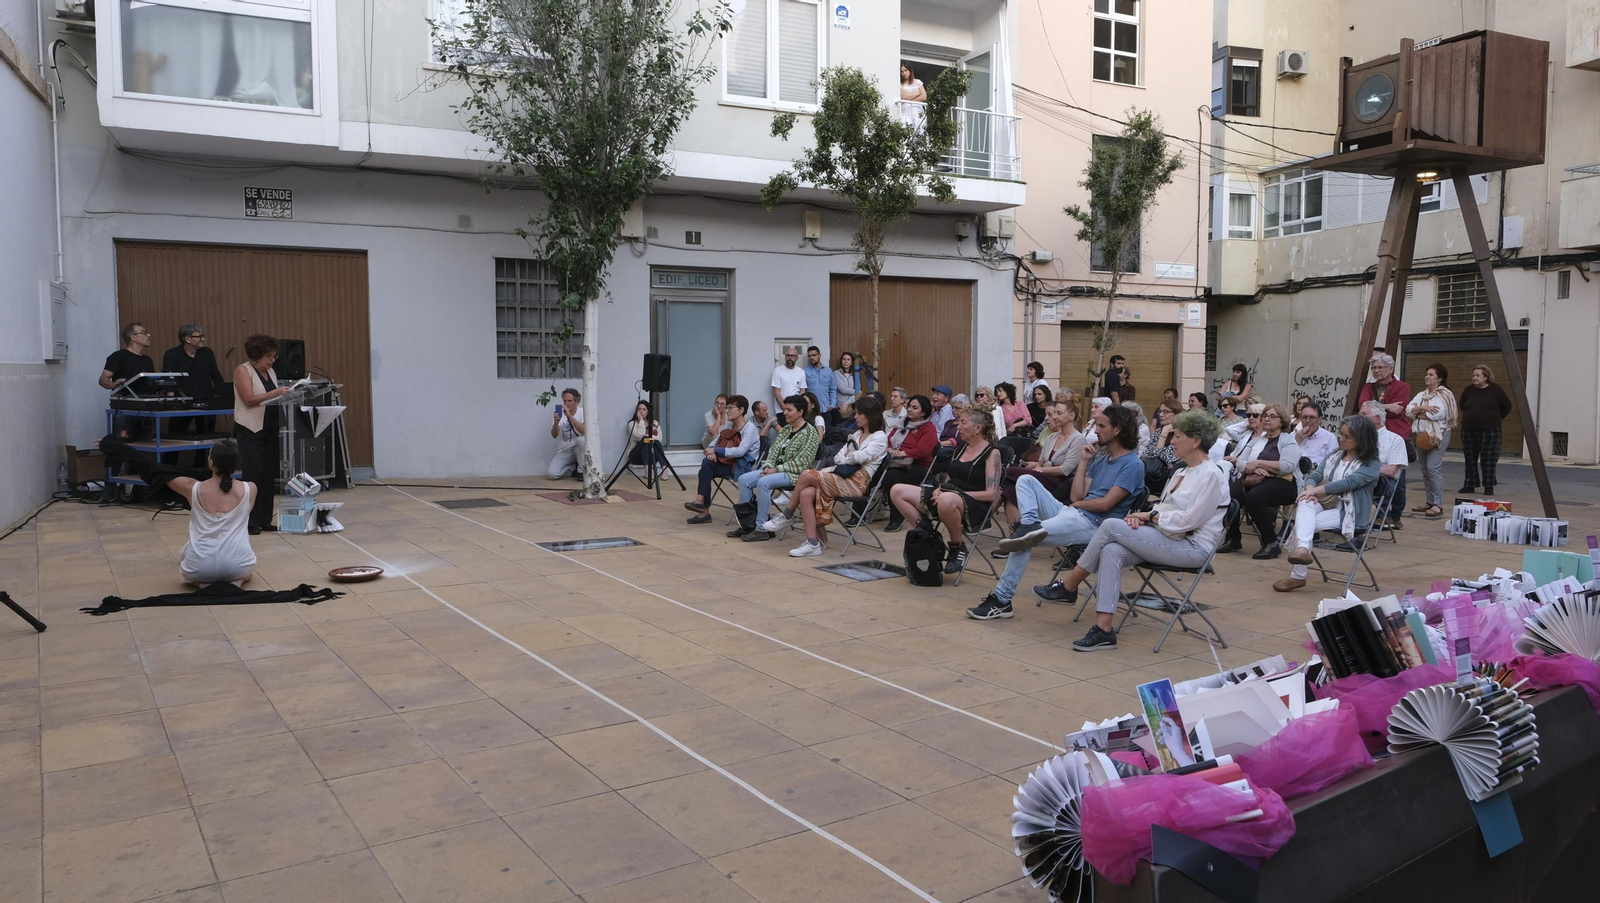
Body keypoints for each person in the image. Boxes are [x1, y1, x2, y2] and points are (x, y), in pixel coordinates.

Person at [986, 412, 1229, 644]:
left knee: (1112, 525)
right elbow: (1166, 510)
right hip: (1167, 537)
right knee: (1112, 550)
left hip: (1193, 548)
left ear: (1196, 441)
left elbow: (1187, 522)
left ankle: (1069, 584)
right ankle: (1104, 629)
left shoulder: (1211, 475)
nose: (1172, 440)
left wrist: (1150, 515)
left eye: (1178, 436)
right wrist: (1143, 517)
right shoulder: (1182, 471)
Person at [987, 405, 1149, 614]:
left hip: (1095, 525)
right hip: (1075, 514)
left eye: (1101, 426)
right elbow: (1076, 495)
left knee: (1026, 539)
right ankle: (1027, 524)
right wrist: (1083, 461)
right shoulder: (1101, 458)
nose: (1096, 430)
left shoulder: (1132, 464)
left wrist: (1078, 505)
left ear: (1117, 430)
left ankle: (1001, 599)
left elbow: (1106, 504)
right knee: (1026, 480)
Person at [888, 404, 1002, 574]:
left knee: (947, 499)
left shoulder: (992, 453)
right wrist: (938, 489)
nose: (958, 426)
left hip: (973, 503)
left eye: (963, 422)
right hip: (947, 497)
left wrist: (952, 494)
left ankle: (957, 546)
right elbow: (949, 479)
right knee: (897, 490)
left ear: (978, 428)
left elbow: (991, 494)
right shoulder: (961, 448)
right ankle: (928, 534)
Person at [769, 395, 888, 556]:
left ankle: (787, 513)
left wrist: (850, 456)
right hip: (840, 476)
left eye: (859, 414)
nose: (856, 417)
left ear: (870, 415)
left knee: (806, 474)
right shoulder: (857, 435)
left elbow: (861, 457)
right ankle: (812, 543)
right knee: (805, 493)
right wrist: (851, 456)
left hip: (857, 483)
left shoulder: (880, 437)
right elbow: (839, 457)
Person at [1276, 416, 1382, 593]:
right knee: (1305, 503)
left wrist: (1315, 492)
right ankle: (1302, 550)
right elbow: (1314, 476)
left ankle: (1298, 575)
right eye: (1341, 434)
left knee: (1304, 526)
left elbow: (1349, 482)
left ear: (1362, 439)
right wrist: (1309, 488)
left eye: (1347, 436)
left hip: (1350, 513)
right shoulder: (1335, 456)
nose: (1341, 439)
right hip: (1325, 503)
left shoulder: (1371, 464)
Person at [166, 439, 257, 587]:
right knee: (249, 574)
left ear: (211, 462)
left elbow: (165, 476)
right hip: (238, 567)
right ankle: (236, 580)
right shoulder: (250, 489)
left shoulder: (193, 488)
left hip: (200, 567)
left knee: (186, 556)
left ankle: (202, 582)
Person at [1217, 404, 1300, 559]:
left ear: (1282, 421)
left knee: (1255, 497)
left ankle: (1271, 542)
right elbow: (1240, 463)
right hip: (1255, 478)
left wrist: (1259, 463)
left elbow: (1287, 466)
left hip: (1284, 483)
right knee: (1227, 494)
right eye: (1265, 416)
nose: (1267, 419)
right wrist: (1253, 469)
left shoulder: (1288, 441)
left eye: (1272, 416)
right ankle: (1233, 538)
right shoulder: (1256, 440)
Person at [733, 395, 820, 542]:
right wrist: (768, 466)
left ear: (800, 412)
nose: (784, 412)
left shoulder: (810, 433)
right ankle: (747, 525)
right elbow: (773, 451)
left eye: (789, 409)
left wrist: (775, 470)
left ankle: (762, 529)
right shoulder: (786, 429)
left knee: (764, 482)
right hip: (776, 471)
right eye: (784, 409)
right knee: (743, 480)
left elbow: (803, 463)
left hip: (796, 475)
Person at [233, 334, 294, 535]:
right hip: (249, 428)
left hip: (269, 427)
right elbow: (249, 399)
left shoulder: (271, 372)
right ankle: (251, 522)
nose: (272, 360)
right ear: (257, 354)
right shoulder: (243, 370)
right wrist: (277, 393)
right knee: (254, 474)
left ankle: (266, 520)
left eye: (274, 356)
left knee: (269, 474)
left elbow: (271, 397)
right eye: (269, 356)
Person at [999, 399, 1087, 527]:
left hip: (1060, 482)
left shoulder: (1078, 439)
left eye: (1059, 413)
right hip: (1044, 477)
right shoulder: (1052, 437)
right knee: (1010, 490)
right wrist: (1039, 468)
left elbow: (1065, 469)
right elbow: (1040, 461)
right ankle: (1018, 536)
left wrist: (1039, 470)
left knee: (1009, 472)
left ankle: (984, 511)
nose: (1055, 417)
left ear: (1071, 415)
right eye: (1054, 413)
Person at [686, 394, 758, 523]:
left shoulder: (750, 428)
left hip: (742, 466)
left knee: (706, 470)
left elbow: (740, 451)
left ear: (741, 410)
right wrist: (711, 452)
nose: (727, 411)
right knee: (707, 463)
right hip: (728, 462)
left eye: (731, 408)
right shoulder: (730, 426)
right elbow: (716, 441)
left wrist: (716, 451)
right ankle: (701, 503)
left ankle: (703, 508)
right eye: (727, 408)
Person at [1356, 352, 1412, 516]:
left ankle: (1395, 515)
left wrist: (1377, 407)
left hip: (1397, 434)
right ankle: (1381, 514)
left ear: (1390, 368)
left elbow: (1398, 409)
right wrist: (1388, 406)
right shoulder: (1368, 387)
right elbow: (1362, 406)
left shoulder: (1402, 386)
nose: (1376, 371)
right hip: (1373, 434)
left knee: (1397, 476)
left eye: (1380, 367)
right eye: (1374, 368)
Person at [161, 324, 227, 462]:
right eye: (199, 336)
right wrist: (171, 400)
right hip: (181, 404)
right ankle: (169, 472)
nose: (203, 339)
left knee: (206, 441)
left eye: (203, 336)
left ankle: (202, 473)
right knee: (174, 439)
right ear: (187, 339)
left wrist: (220, 397)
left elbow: (216, 375)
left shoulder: (207, 353)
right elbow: (168, 379)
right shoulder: (171, 355)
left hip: (206, 402)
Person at [881, 394, 940, 532]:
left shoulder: (928, 428)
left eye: (915, 408)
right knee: (875, 470)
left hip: (919, 466)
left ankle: (897, 517)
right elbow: (888, 439)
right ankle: (861, 512)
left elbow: (923, 451)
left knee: (891, 476)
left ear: (923, 412)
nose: (910, 410)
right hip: (896, 461)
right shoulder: (901, 423)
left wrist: (903, 453)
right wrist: (890, 449)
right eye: (909, 406)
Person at [1406, 363, 1459, 517]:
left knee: (1433, 467)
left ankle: (1437, 504)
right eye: (1426, 374)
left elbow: (1435, 415)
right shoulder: (1421, 395)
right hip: (1421, 436)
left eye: (1431, 374)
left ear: (1440, 378)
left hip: (1438, 435)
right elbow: (1407, 411)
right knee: (1424, 469)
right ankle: (1429, 501)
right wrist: (1424, 408)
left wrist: (1419, 411)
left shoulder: (1444, 395)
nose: (1427, 377)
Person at [1457, 363, 1513, 495]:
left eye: (1478, 375)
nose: (1475, 378)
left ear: (1486, 376)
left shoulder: (1495, 389)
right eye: (1473, 375)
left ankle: (1489, 486)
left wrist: (1495, 419)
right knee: (1470, 457)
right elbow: (1462, 405)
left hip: (1490, 429)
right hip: (1469, 429)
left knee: (1488, 458)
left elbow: (1507, 406)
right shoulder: (1468, 390)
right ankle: (1470, 484)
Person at [102, 322, 156, 439]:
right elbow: (103, 379)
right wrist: (112, 384)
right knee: (123, 446)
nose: (149, 335)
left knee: (145, 444)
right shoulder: (118, 356)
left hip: (146, 409)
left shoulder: (148, 360)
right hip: (124, 408)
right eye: (144, 333)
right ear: (134, 337)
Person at [1361, 400, 1409, 528]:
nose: (1359, 418)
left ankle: (1358, 526)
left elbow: (1391, 471)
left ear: (1377, 418)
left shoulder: (1394, 440)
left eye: (1364, 414)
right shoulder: (1356, 438)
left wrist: (1363, 471)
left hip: (1380, 482)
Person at [547, 389, 587, 480]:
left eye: (570, 401)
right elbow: (554, 435)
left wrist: (570, 416)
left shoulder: (582, 412)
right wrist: (556, 423)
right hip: (565, 450)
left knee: (583, 440)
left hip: (578, 449)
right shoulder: (559, 413)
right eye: (565, 401)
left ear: (577, 402)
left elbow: (584, 431)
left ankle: (581, 471)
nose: (567, 404)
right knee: (552, 474)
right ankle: (572, 468)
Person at [1293, 401, 1339, 466]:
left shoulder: (1329, 438)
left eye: (1312, 417)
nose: (1308, 421)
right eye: (1305, 417)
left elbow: (1333, 462)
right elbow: (1286, 459)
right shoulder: (1293, 435)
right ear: (1300, 418)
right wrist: (1296, 441)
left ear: (1320, 419)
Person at [626, 401, 668, 469]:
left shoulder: (655, 423)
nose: (641, 411)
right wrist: (641, 421)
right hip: (636, 456)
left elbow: (659, 439)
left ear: (648, 411)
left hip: (652, 456)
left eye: (644, 409)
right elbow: (638, 435)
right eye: (639, 409)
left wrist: (647, 436)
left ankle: (664, 468)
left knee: (650, 440)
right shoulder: (632, 424)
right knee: (645, 440)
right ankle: (646, 469)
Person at [830, 351, 860, 428]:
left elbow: (857, 393)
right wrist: (857, 392)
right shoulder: (836, 373)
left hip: (852, 408)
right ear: (841, 361)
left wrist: (848, 402)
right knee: (839, 429)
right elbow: (843, 389)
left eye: (848, 359)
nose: (846, 361)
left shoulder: (855, 375)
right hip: (840, 409)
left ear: (851, 362)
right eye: (844, 359)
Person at [802, 347, 835, 416]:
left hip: (826, 409)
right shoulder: (805, 372)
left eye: (814, 355)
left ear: (819, 355)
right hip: (812, 410)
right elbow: (803, 391)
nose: (811, 357)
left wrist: (833, 404)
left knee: (827, 427)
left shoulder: (828, 371)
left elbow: (832, 389)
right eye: (809, 356)